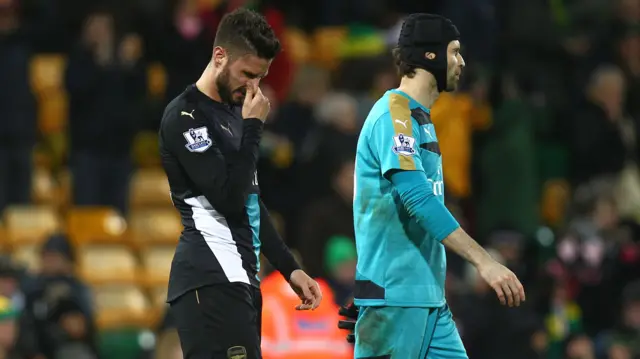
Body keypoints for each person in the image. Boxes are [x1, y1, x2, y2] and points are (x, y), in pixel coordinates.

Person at [339, 13, 526, 358]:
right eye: (454, 52)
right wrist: (484, 261)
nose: (462, 62)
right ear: (430, 55)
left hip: (427, 299)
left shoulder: (421, 118)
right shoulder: (394, 115)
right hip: (397, 297)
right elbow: (417, 198)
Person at [158, 8, 322, 359]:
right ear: (220, 56)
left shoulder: (234, 114)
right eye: (247, 74)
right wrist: (253, 129)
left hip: (239, 277)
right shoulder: (186, 116)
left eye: (260, 78)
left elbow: (250, 200)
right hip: (210, 277)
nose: (253, 87)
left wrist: (290, 268)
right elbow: (229, 198)